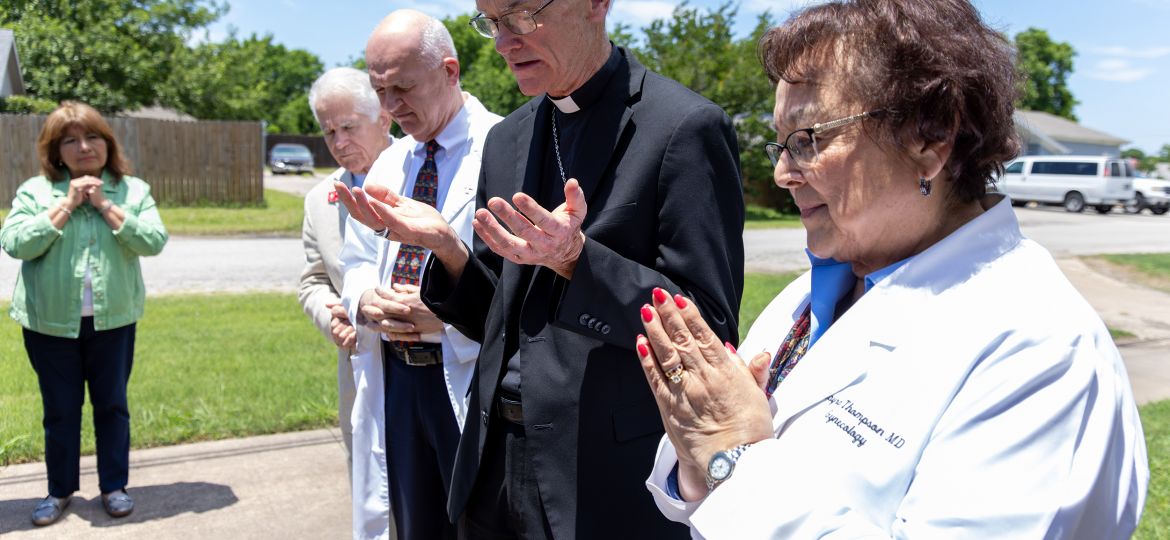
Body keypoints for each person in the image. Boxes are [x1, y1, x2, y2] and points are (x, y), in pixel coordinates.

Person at [636, 1, 1150, 537]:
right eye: (781, 145)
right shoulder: (813, 292)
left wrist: (731, 452)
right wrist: (698, 460)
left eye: (809, 139)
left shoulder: (1043, 349)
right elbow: (704, 490)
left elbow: (737, 459)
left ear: (929, 140)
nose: (784, 173)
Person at [340, 0, 744, 536]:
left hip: (602, 476)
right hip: (492, 464)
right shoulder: (508, 137)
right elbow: (501, 319)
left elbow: (710, 326)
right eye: (492, 22)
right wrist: (446, 248)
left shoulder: (683, 127)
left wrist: (578, 260)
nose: (505, 42)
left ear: (597, 6)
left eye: (523, 15)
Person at [335, 10, 499, 539]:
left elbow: (519, 281)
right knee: (413, 523)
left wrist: (447, 312)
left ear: (450, 71)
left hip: (466, 372)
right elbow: (356, 259)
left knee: (478, 522)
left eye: (403, 88)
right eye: (380, 91)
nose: (390, 107)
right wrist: (365, 300)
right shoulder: (390, 162)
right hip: (398, 377)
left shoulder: (502, 148)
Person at [0, 101, 169, 526]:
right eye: (70, 141)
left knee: (112, 406)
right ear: (56, 151)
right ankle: (59, 492)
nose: (84, 147)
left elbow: (153, 241)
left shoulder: (133, 191)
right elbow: (17, 243)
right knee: (60, 409)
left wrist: (104, 206)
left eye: (93, 136)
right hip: (49, 324)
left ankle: (114, 487)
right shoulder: (35, 192)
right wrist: (69, 204)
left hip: (113, 322)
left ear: (107, 144)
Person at [298, 66, 397, 540]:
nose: (337, 141)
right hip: (358, 367)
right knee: (370, 487)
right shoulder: (321, 199)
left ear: (384, 117)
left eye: (348, 126)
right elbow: (313, 280)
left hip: (428, 365)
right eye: (328, 130)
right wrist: (332, 314)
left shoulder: (425, 173)